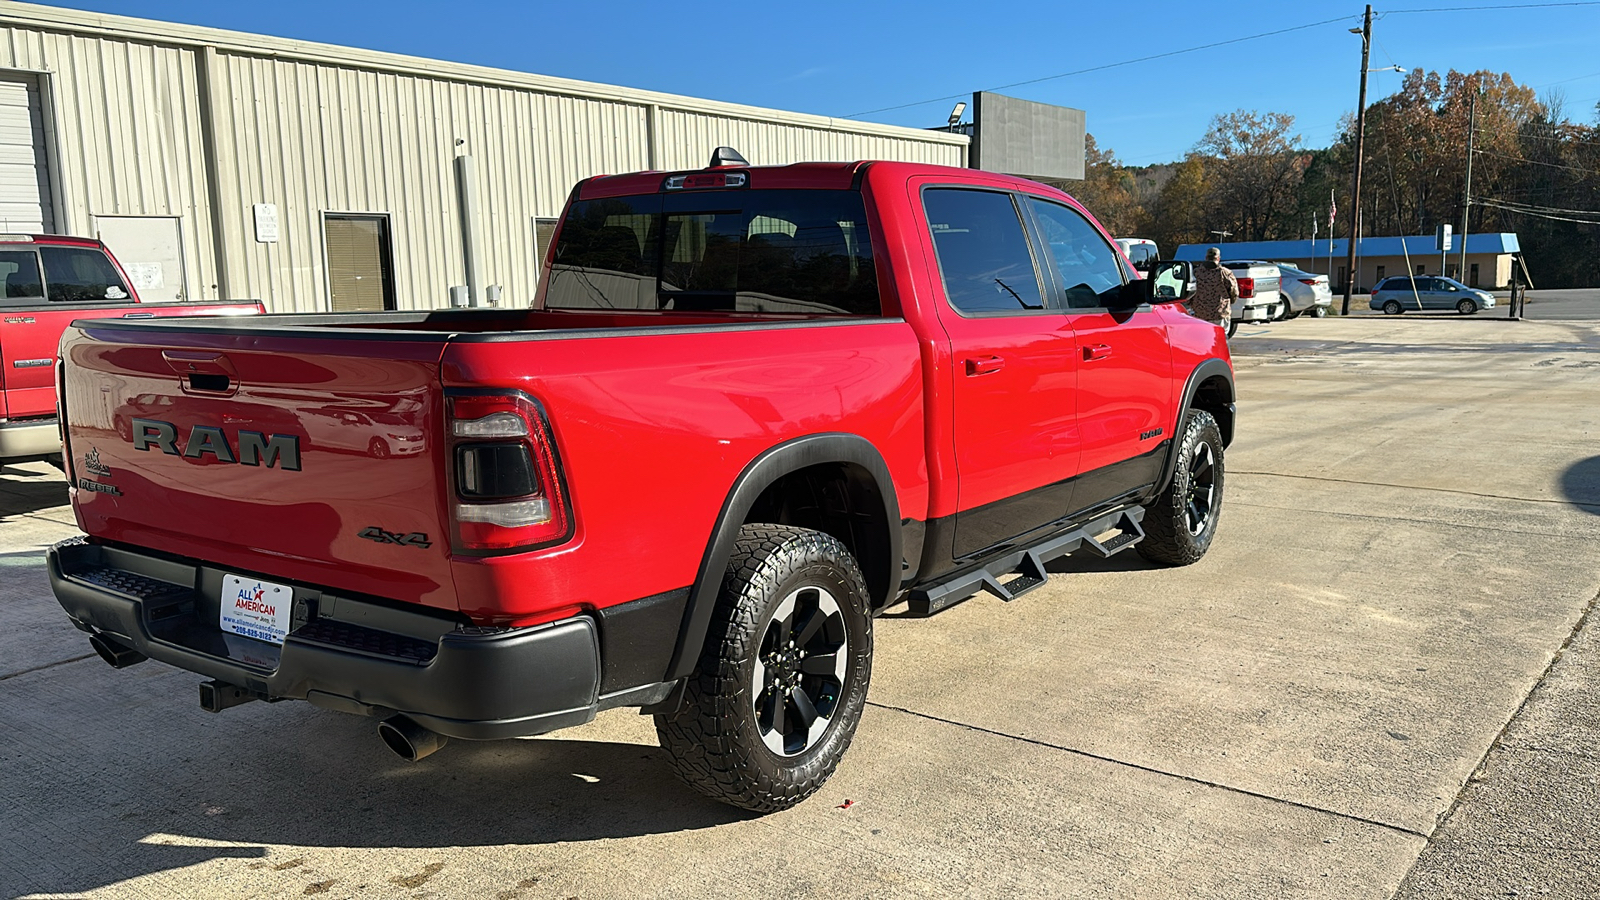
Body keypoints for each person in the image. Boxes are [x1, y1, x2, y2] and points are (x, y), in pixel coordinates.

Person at [1189, 247, 1237, 332]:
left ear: (1206, 258)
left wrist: (1191, 304)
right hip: (1220, 313)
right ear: (1218, 258)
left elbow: (1189, 291)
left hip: (1200, 314)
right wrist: (1230, 301)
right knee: (1221, 339)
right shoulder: (1225, 273)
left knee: (1202, 339)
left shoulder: (1196, 273)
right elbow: (1234, 292)